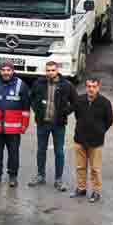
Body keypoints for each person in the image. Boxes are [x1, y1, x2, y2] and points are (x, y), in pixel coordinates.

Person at [29, 60, 77, 191]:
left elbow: (75, 102)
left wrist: (64, 113)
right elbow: (31, 98)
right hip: (42, 123)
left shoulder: (67, 85)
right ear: (45, 71)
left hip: (58, 125)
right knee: (40, 150)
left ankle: (58, 179)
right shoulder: (38, 83)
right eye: (48, 70)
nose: (50, 73)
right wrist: (37, 109)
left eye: (53, 70)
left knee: (59, 152)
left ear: (57, 71)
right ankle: (40, 176)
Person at [0, 61, 30, 187]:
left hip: (14, 129)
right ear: (0, 71)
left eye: (8, 70)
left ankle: (13, 176)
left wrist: (24, 124)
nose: (6, 73)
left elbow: (26, 108)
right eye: (3, 70)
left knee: (13, 153)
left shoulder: (21, 85)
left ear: (12, 71)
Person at [72, 77, 113, 203]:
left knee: (95, 169)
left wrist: (100, 131)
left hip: (96, 142)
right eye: (89, 86)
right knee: (80, 167)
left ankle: (96, 192)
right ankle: (81, 188)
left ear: (98, 87)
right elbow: (77, 116)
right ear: (86, 87)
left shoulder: (105, 102)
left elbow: (109, 121)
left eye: (94, 86)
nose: (91, 89)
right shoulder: (79, 100)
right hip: (79, 140)